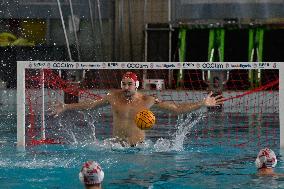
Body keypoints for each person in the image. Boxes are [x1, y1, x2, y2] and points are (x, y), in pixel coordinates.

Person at [53, 72, 224, 146]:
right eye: (124, 84)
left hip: (138, 149)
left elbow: (176, 109)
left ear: (136, 85)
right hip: (116, 147)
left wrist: (202, 104)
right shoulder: (113, 97)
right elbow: (90, 106)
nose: (126, 87)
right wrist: (67, 106)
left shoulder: (147, 100)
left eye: (130, 84)